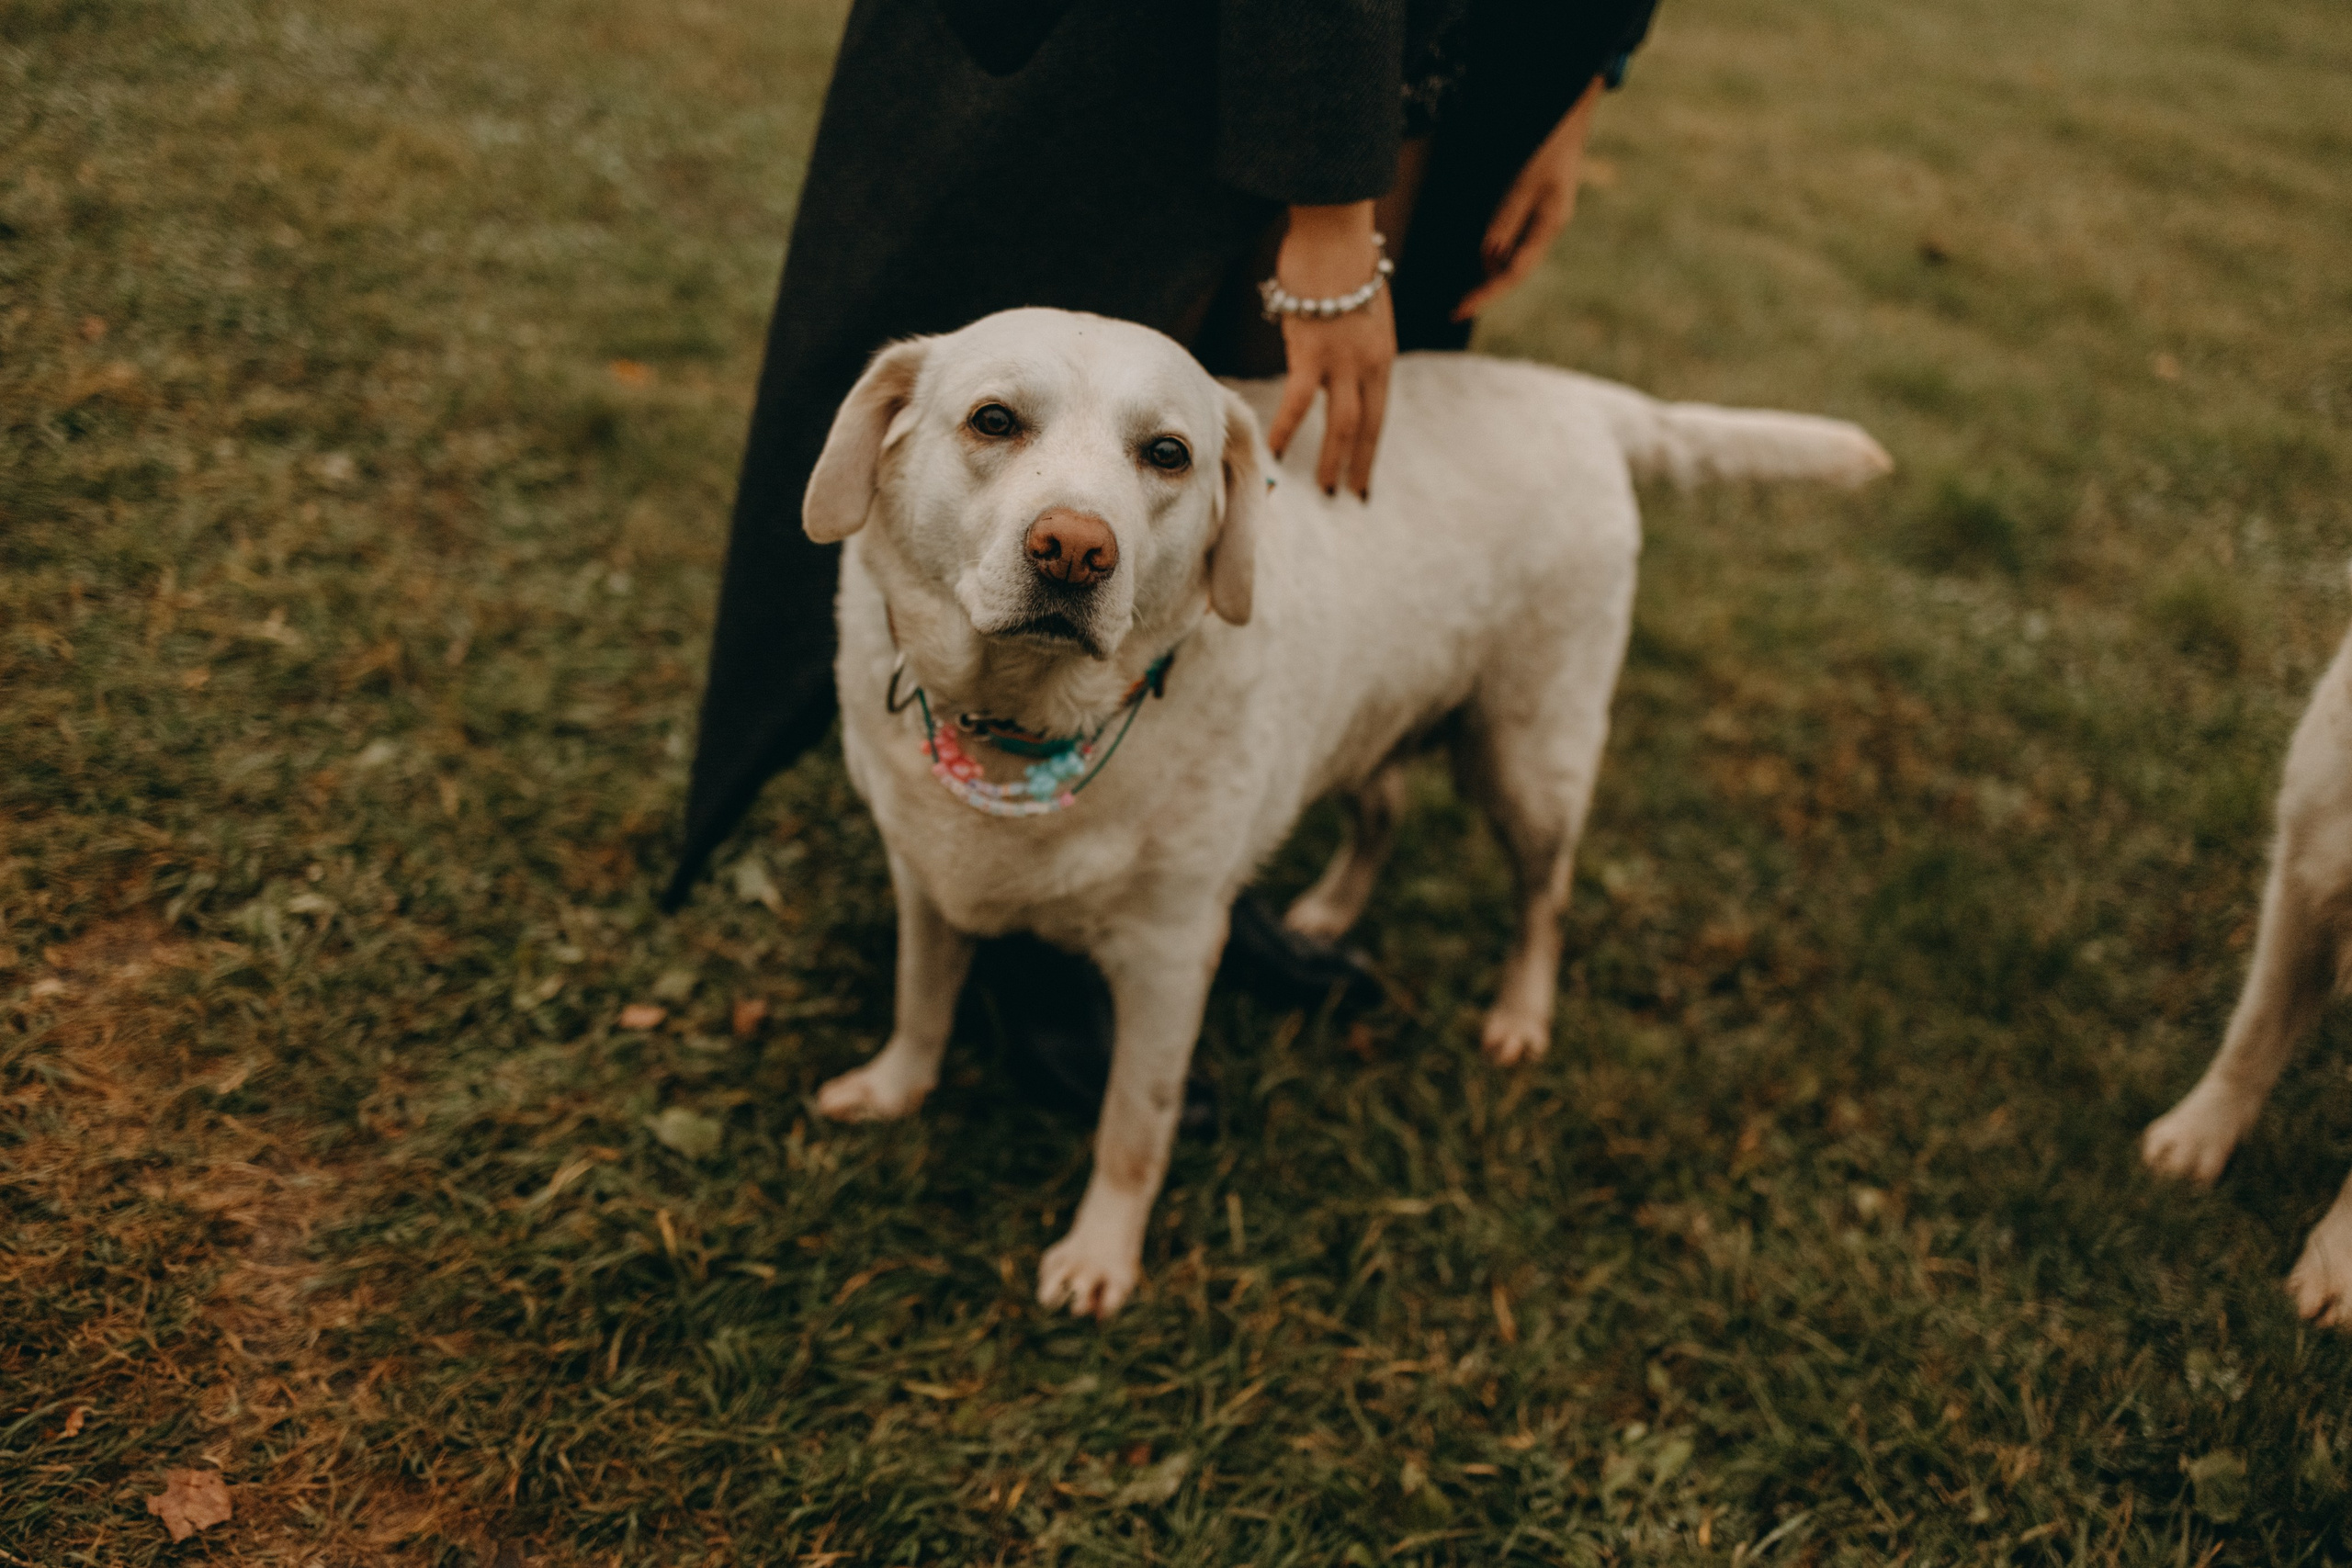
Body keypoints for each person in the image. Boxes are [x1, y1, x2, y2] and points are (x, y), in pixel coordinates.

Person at [663, 0, 1660, 1107]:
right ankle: (1040, 960)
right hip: (1133, 52)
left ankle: (1184, 887)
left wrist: (1574, 96)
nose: (1074, 528)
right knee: (1096, 346)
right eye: (994, 430)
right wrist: (1331, 211)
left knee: (1264, 441)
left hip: (1439, 64)